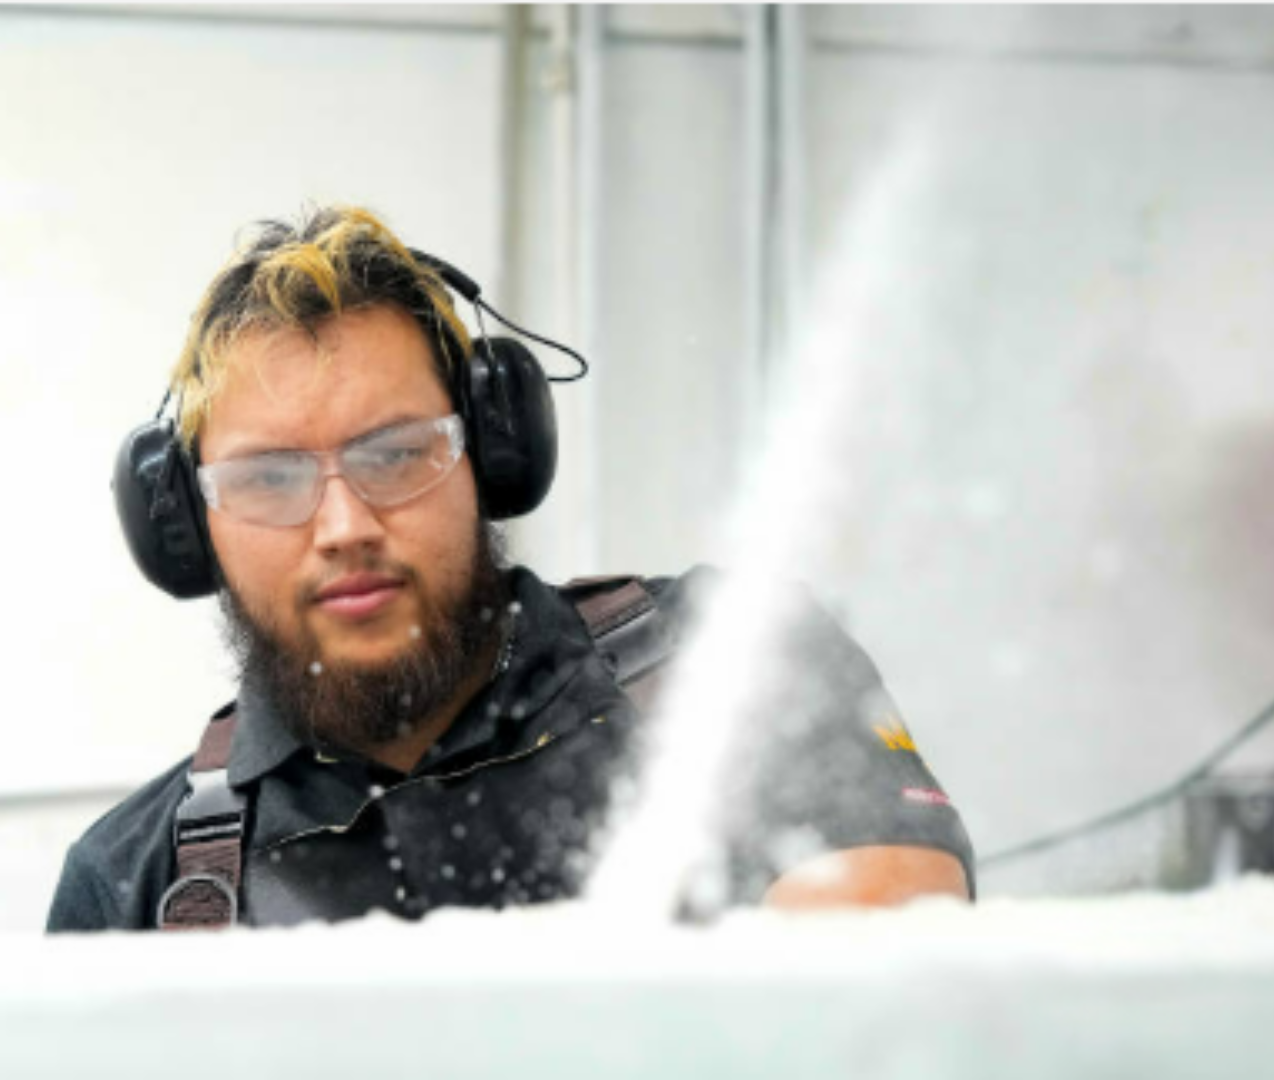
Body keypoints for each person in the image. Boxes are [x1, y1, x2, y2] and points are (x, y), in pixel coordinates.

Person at [47, 206, 974, 932]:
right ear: (190, 530)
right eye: (268, 479)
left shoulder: (733, 667)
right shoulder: (134, 886)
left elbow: (881, 977)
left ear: (492, 458)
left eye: (396, 453)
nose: (344, 526)